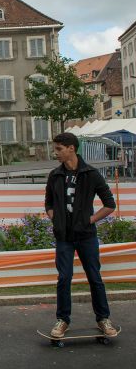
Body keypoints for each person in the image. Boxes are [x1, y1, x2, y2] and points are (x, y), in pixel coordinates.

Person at [45, 132, 117, 339]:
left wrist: (90, 220)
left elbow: (110, 204)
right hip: (64, 237)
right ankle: (63, 320)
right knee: (64, 278)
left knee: (94, 277)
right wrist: (56, 218)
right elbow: (48, 203)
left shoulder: (91, 174)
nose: (55, 153)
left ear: (71, 148)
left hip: (86, 236)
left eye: (59, 149)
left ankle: (103, 319)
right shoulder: (55, 175)